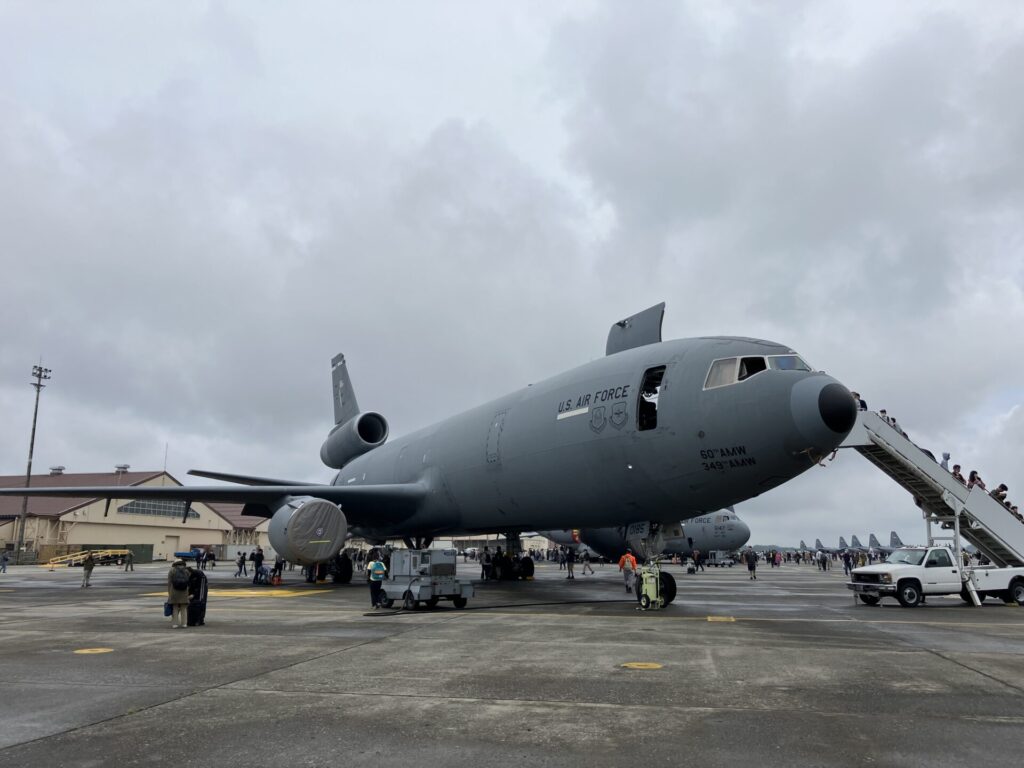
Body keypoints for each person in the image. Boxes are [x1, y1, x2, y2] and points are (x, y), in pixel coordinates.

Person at [167, 558, 191, 628]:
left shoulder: (172, 570)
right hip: (184, 591)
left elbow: (169, 582)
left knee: (175, 608)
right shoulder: (186, 571)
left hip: (174, 591)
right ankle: (184, 623)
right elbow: (188, 582)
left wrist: (169, 592)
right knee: (184, 608)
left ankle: (175, 624)